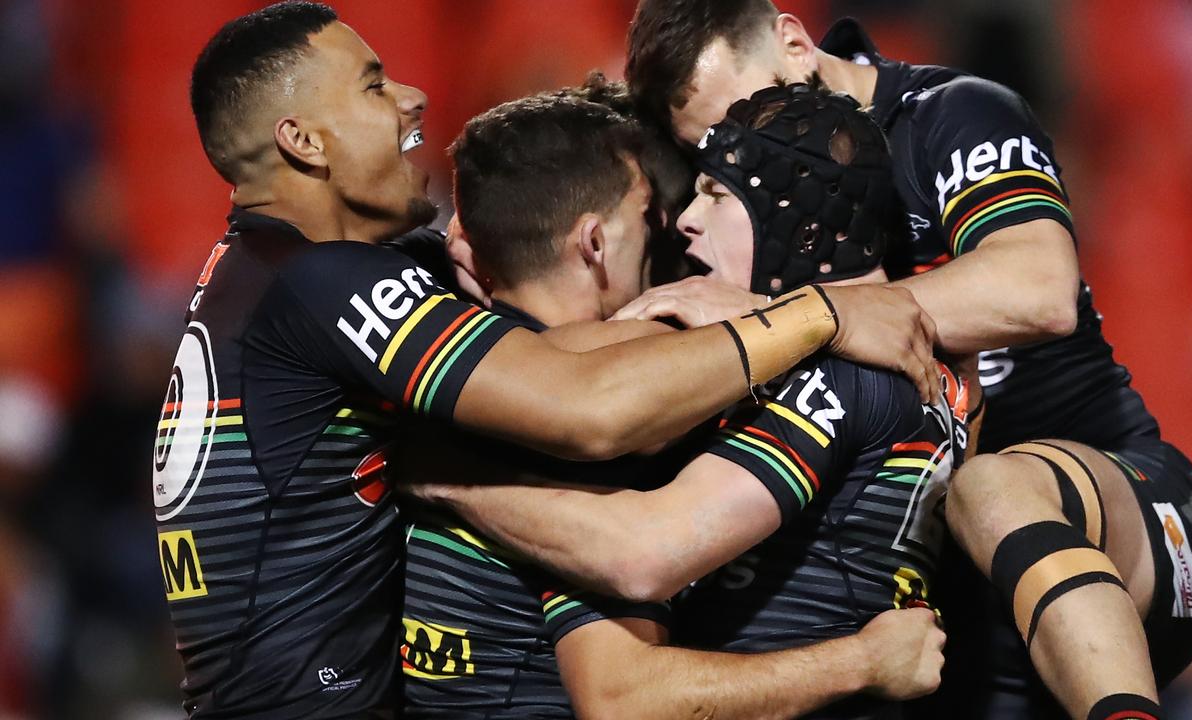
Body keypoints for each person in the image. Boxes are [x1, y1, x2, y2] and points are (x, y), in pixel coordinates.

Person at [157, 2, 940, 717]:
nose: (411, 97)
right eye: (371, 87)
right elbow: (591, 411)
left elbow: (546, 346)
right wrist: (821, 315)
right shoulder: (325, 283)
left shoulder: (261, 278)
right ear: (301, 140)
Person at [620, 2, 1192, 719]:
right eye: (712, 149)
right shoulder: (719, 210)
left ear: (791, 41)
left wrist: (804, 318)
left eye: (750, 108)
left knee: (989, 489)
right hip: (945, 594)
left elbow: (1038, 289)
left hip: (1112, 510)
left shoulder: (951, 114)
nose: (744, 145)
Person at [413, 82, 969, 720]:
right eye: (654, 211)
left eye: (717, 194)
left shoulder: (447, 358)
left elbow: (643, 568)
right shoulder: (626, 405)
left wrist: (444, 479)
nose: (678, 226)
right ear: (592, 243)